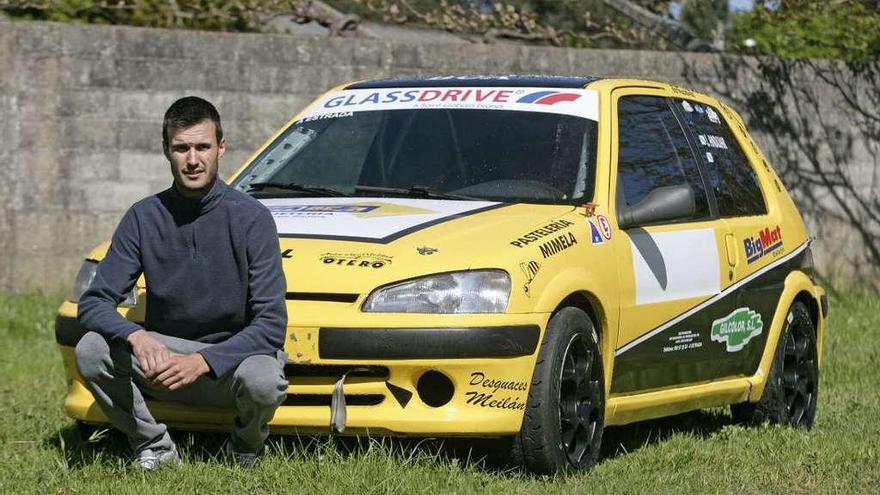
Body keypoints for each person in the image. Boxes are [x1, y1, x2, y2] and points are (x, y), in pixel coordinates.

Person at [75, 96, 288, 470]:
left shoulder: (252, 220)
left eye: (203, 147)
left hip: (230, 363)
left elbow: (271, 326)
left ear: (221, 148)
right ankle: (154, 445)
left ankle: (245, 446)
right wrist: (136, 337)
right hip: (164, 360)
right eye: (181, 148)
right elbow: (93, 303)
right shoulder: (143, 217)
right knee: (92, 349)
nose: (193, 159)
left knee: (265, 378)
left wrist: (204, 360)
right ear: (166, 151)